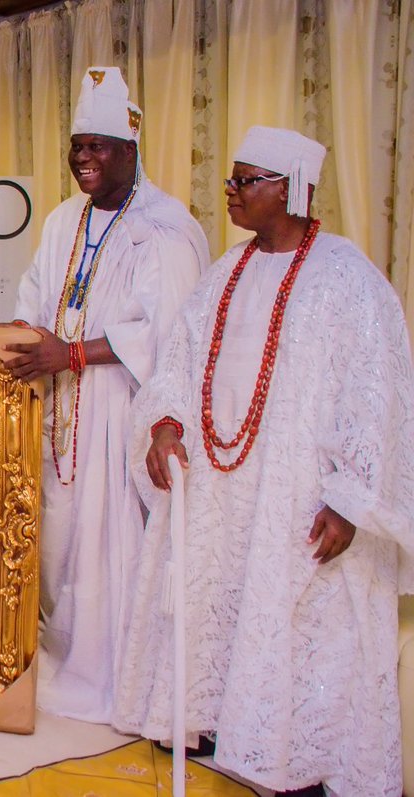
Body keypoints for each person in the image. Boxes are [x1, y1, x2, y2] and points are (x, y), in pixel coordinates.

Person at [114, 126, 414, 796]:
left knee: (307, 640)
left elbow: (378, 394)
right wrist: (164, 424)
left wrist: (350, 499)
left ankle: (304, 766)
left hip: (303, 502)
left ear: (294, 190)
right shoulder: (228, 271)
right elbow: (179, 365)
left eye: (247, 181)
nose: (232, 193)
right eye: (232, 179)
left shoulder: (348, 278)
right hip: (226, 493)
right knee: (225, 622)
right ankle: (228, 736)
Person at [0, 66, 209, 723]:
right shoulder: (63, 219)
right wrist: (23, 335)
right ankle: (65, 657)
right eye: (77, 145)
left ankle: (119, 671)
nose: (83, 159)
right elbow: (33, 295)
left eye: (98, 147)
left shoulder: (166, 228)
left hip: (122, 410)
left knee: (109, 541)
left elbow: (171, 331)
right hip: (62, 408)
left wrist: (77, 353)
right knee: (62, 536)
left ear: (130, 151)